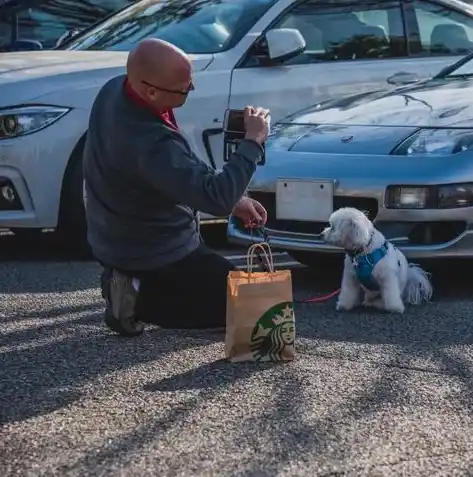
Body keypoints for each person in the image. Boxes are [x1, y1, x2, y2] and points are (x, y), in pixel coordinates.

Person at [83, 38, 270, 336]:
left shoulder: (114, 90)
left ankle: (129, 281)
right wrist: (253, 142)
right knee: (256, 306)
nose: (190, 91)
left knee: (230, 290)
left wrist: (237, 199)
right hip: (157, 249)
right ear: (151, 90)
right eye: (184, 90)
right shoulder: (151, 142)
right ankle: (135, 299)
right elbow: (215, 197)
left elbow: (178, 168)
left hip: (115, 236)